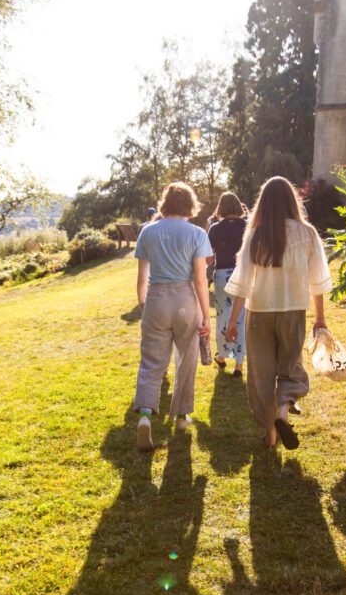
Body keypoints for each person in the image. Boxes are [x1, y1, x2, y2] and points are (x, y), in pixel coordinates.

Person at [224, 176, 332, 450]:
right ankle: (284, 411)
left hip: (259, 312)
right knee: (291, 365)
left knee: (261, 373)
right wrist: (320, 318)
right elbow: (318, 280)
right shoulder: (307, 233)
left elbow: (243, 281)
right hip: (293, 309)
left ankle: (271, 434)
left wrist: (232, 320)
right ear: (291, 201)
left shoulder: (255, 234)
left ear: (264, 204)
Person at [133, 182, 212, 451]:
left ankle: (145, 413)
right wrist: (206, 316)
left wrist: (144, 305)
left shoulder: (148, 232)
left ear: (165, 203)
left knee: (152, 360)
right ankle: (180, 415)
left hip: (156, 297)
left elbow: (142, 277)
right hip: (186, 298)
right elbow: (201, 280)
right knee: (187, 358)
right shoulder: (197, 233)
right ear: (190, 205)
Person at [207, 191, 247, 377]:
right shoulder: (247, 226)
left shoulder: (215, 228)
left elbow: (209, 258)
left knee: (223, 317)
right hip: (243, 274)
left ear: (220, 208)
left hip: (222, 275)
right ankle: (239, 364)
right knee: (241, 317)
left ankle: (222, 356)